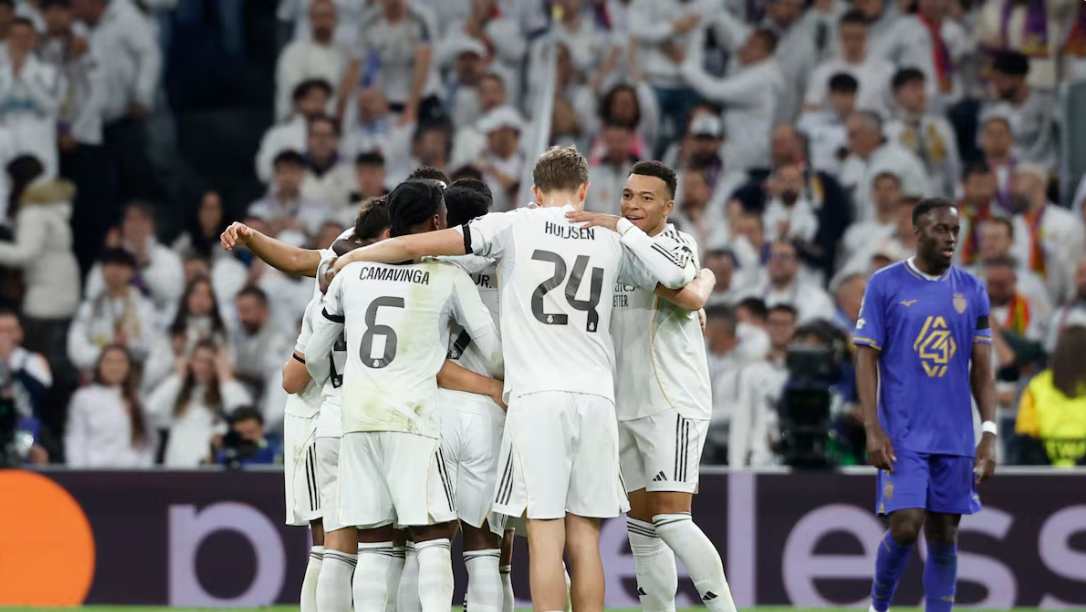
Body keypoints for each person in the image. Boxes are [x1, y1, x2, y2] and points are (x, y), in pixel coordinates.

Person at [330, 146, 697, 612]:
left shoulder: (511, 225)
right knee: (585, 538)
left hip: (536, 398)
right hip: (596, 400)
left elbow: (413, 246)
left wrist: (351, 260)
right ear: (584, 190)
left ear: (535, 191)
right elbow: (678, 275)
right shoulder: (610, 237)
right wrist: (622, 227)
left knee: (545, 535)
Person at [306, 181, 504, 612]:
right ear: (436, 221)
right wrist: (504, 381)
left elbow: (316, 355)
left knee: (373, 545)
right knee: (431, 539)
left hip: (358, 418)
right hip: (413, 419)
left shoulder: (350, 275)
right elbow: (493, 351)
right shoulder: (448, 276)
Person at [570, 161, 734, 612]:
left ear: (668, 206)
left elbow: (682, 284)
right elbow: (690, 294)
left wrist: (620, 227)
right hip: (623, 402)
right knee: (642, 529)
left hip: (671, 399)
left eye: (646, 198)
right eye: (627, 196)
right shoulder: (611, 246)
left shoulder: (678, 242)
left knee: (672, 519)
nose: (633, 205)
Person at [853, 197, 997, 612]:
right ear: (917, 232)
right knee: (905, 525)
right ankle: (877, 608)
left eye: (955, 230)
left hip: (955, 435)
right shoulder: (885, 284)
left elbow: (982, 370)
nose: (950, 238)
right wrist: (873, 428)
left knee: (944, 534)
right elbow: (865, 358)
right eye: (940, 229)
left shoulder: (973, 289)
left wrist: (988, 433)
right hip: (903, 434)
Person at [64, 344, 152, 467]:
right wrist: (80, 473)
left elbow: (146, 443)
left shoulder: (137, 398)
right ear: (100, 365)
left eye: (121, 362)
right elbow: (76, 440)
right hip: (95, 471)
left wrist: (145, 471)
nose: (115, 367)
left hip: (131, 472)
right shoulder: (83, 398)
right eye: (109, 361)